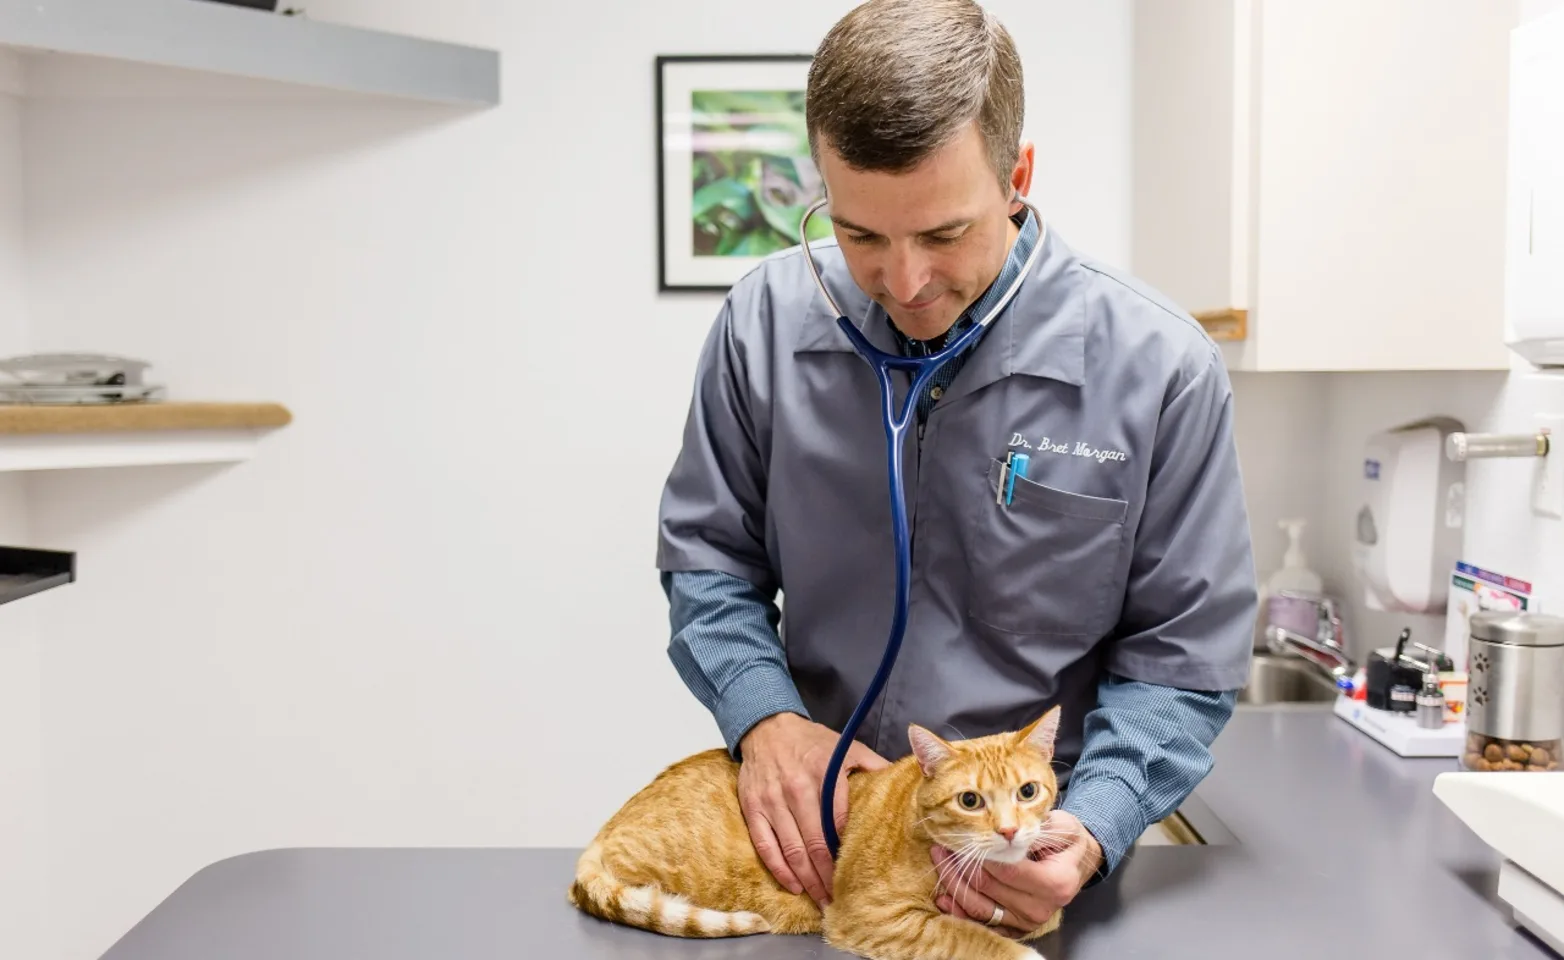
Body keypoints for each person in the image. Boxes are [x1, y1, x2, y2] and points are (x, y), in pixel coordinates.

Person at [654, 0, 1257, 938]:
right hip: (821, 856)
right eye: (859, 236)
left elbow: (1181, 663)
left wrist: (1089, 830)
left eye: (942, 235)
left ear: (1017, 177)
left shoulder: (1161, 369)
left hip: (1022, 873)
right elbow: (707, 564)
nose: (902, 283)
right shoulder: (761, 327)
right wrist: (765, 718)